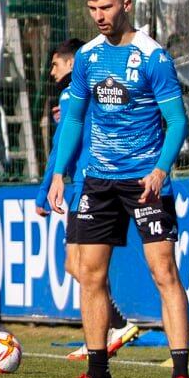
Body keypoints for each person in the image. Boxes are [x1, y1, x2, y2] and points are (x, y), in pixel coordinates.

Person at [47, 0, 189, 378]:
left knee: (163, 271)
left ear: (126, 5)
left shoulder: (153, 57)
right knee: (90, 275)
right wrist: (59, 173)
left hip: (146, 181)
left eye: (106, 7)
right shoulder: (87, 57)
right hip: (98, 181)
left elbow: (176, 121)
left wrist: (161, 170)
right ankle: (98, 377)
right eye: (92, 8)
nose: (99, 15)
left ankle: (180, 376)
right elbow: (74, 119)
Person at [34, 38, 140, 359]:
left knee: (85, 267)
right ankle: (108, 330)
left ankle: (114, 326)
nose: (52, 72)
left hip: (86, 185)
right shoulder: (93, 91)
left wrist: (44, 190)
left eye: (55, 64)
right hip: (98, 180)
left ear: (70, 63)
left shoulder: (71, 93)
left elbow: (60, 147)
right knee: (76, 265)